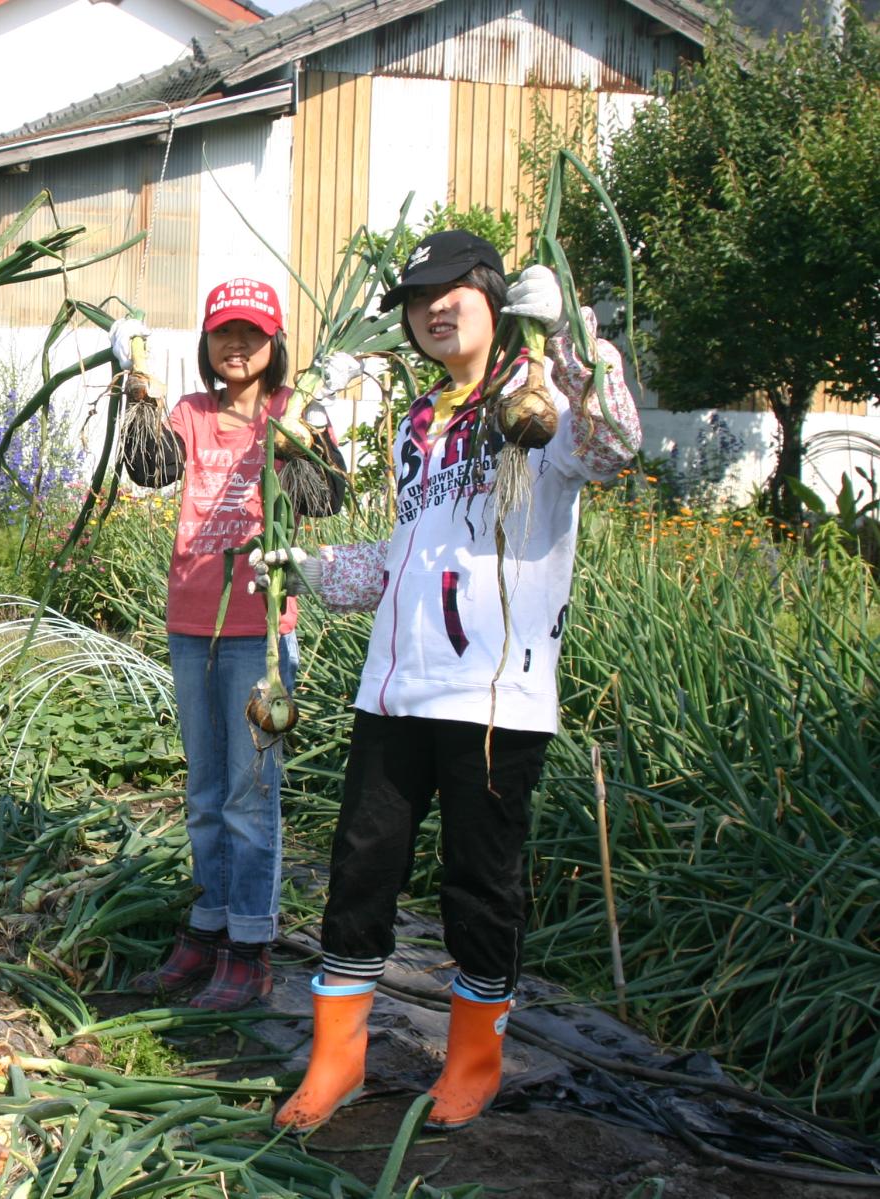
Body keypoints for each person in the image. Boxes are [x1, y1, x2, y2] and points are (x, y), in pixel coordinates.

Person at [271, 231, 641, 1132]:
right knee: (359, 873)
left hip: (493, 696)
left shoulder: (536, 400)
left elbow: (612, 447)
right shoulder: (416, 423)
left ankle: (474, 1059)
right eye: (417, 297)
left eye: (453, 290)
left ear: (492, 295)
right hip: (394, 691)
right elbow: (410, 551)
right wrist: (316, 569)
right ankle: (335, 1062)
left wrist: (572, 345)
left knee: (479, 883)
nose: (433, 308)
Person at [110, 279, 345, 1011]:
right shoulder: (190, 413)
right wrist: (136, 389)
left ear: (275, 344)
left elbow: (325, 497)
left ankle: (251, 943)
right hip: (191, 626)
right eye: (222, 334)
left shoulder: (287, 411)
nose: (235, 346)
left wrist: (315, 428)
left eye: (250, 333)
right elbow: (147, 471)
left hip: (262, 633)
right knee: (206, 791)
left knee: (251, 794)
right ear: (206, 343)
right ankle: (207, 926)